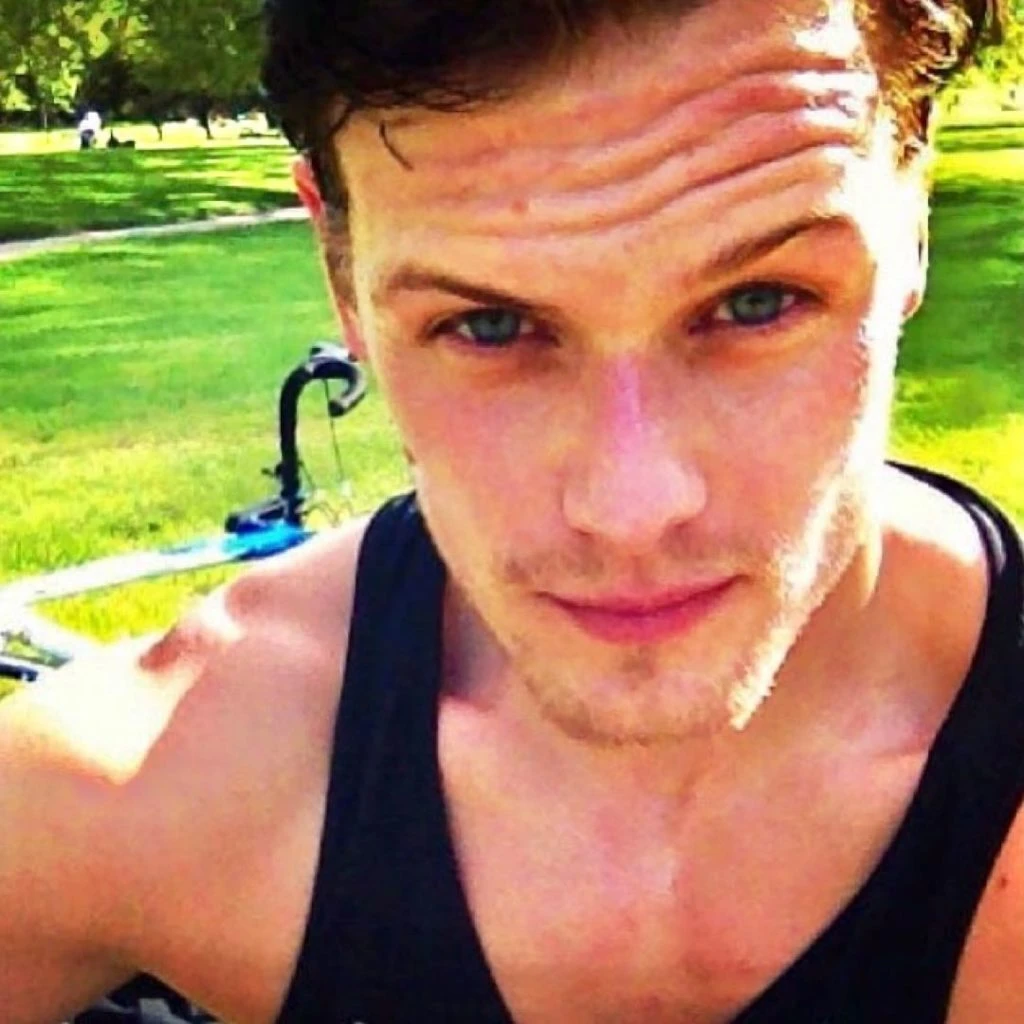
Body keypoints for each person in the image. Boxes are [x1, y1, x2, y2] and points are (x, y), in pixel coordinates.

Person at [3, 0, 1022, 1021]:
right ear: (341, 271)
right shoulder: (137, 788)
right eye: (488, 324)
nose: (631, 507)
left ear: (911, 218)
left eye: (759, 301)